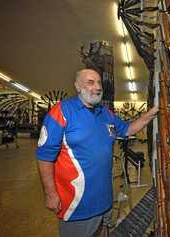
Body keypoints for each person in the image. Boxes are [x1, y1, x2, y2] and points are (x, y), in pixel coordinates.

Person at [36, 69, 158, 237]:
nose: (97, 87)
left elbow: (128, 129)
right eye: (90, 82)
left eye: (99, 82)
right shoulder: (62, 112)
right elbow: (44, 157)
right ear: (78, 86)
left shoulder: (105, 114)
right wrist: (50, 194)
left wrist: (151, 114)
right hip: (77, 206)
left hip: (105, 201)